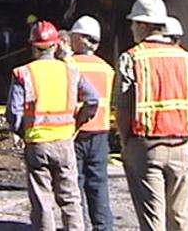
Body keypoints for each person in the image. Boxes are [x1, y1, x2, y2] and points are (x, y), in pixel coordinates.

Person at [117, 0, 188, 231]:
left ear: (144, 25)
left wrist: (126, 141)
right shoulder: (186, 59)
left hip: (145, 146)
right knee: (180, 217)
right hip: (180, 147)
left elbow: (124, 106)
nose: (132, 29)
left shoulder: (132, 57)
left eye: (134, 23)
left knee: (152, 221)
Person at [5, 20, 99, 231]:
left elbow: (13, 113)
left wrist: (24, 133)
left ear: (33, 46)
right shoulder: (70, 71)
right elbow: (93, 99)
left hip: (38, 143)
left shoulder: (23, 72)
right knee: (71, 199)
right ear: (56, 45)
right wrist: (77, 122)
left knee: (42, 201)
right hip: (65, 142)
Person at [68, 16, 115, 231]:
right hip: (100, 133)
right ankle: (103, 226)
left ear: (80, 38)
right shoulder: (107, 68)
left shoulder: (69, 66)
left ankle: (79, 226)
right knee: (98, 183)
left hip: (74, 132)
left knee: (74, 184)